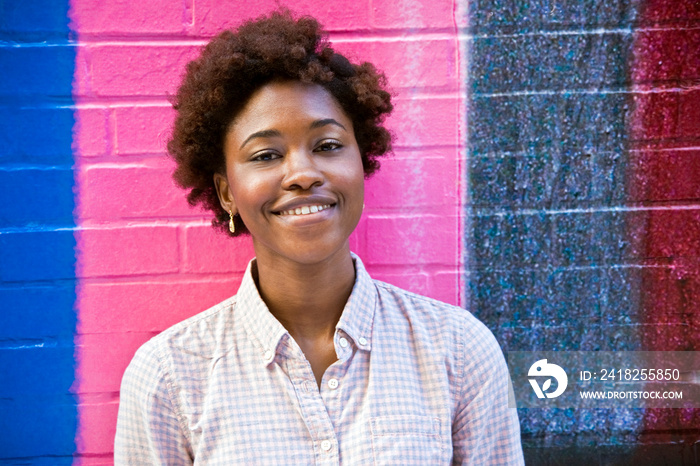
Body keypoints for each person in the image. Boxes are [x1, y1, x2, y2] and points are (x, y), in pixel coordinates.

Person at [114, 10, 524, 465]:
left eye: (328, 146)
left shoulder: (460, 350)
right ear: (227, 192)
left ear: (361, 161)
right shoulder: (168, 376)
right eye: (266, 155)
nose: (304, 174)